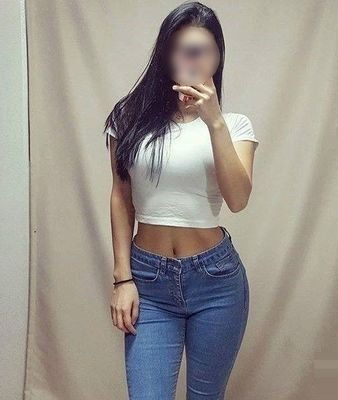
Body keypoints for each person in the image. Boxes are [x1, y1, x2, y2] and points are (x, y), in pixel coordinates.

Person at [104, 2, 259, 399]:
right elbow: (121, 196)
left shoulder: (235, 125)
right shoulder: (129, 118)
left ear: (217, 57)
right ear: (164, 54)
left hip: (216, 281)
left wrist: (215, 121)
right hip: (148, 280)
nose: (189, 60)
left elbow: (238, 199)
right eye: (178, 49)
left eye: (200, 50)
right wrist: (123, 278)